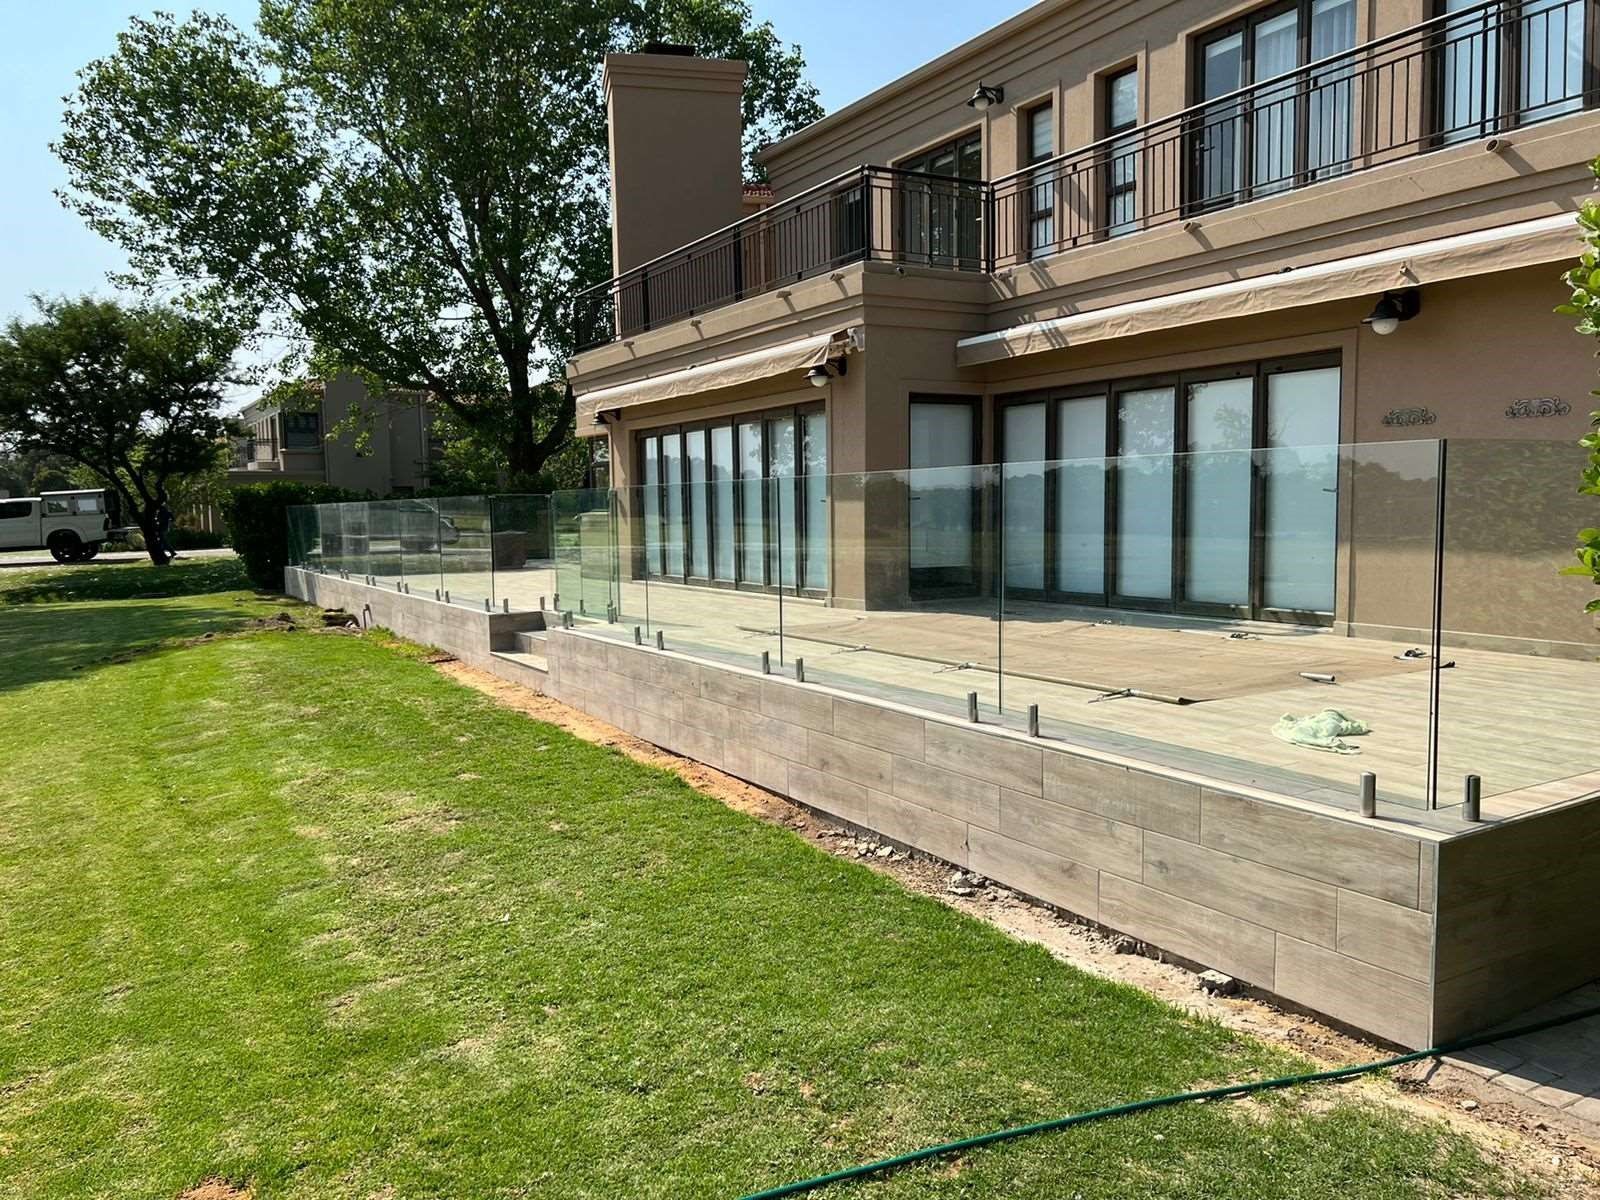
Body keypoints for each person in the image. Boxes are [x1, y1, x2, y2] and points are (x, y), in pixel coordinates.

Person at [155, 496, 178, 562]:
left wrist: (158, 521)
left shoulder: (161, 512)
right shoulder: (167, 512)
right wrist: (169, 521)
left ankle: (171, 552)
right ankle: (170, 552)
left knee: (163, 541)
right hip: (165, 528)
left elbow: (159, 520)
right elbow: (173, 519)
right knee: (162, 541)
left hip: (162, 528)